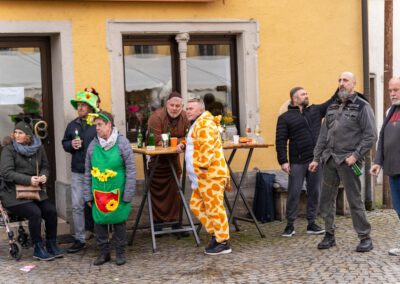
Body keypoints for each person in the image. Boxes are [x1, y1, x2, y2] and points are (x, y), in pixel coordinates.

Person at [309, 71, 377, 252]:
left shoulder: (362, 106)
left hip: (349, 162)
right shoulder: (332, 107)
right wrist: (316, 158)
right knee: (326, 200)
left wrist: (355, 155)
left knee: (355, 200)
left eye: (345, 80)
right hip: (330, 160)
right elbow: (323, 135)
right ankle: (329, 235)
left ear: (353, 84)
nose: (341, 83)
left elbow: (371, 136)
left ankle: (365, 237)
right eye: (339, 80)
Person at [276, 86, 338, 237]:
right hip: (297, 162)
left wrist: (340, 87)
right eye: (303, 94)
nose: (306, 96)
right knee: (294, 192)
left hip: (316, 161)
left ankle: (312, 223)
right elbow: (280, 140)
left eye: (307, 93)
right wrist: (283, 161)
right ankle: (290, 225)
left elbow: (331, 102)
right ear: (295, 99)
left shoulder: (315, 111)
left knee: (314, 192)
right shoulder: (285, 118)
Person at [0, 121, 62, 261]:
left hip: (34, 191)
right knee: (35, 213)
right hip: (12, 194)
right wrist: (29, 180)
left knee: (51, 211)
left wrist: (44, 176)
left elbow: (46, 166)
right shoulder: (8, 149)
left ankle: (51, 243)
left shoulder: (38, 148)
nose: (17, 135)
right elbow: (6, 173)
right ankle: (38, 247)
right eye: (15, 132)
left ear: (28, 136)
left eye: (20, 133)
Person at [83, 111, 136, 266]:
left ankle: (120, 252)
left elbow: (131, 170)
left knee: (119, 222)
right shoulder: (93, 146)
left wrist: (128, 194)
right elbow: (87, 172)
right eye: (95, 125)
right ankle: (103, 253)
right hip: (99, 192)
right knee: (99, 223)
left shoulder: (122, 143)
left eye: (100, 125)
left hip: (118, 191)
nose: (97, 128)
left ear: (109, 125)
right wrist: (87, 195)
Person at [181, 98, 231, 255]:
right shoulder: (199, 123)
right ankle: (217, 234)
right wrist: (184, 144)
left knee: (215, 208)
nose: (187, 111)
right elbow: (197, 142)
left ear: (200, 110)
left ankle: (222, 241)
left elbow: (207, 147)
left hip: (210, 175)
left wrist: (202, 168)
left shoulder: (204, 123)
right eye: (187, 108)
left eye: (191, 108)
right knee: (196, 205)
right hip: (202, 176)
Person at [62, 89, 99, 253]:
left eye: (84, 105)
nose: (80, 108)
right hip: (78, 171)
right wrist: (71, 145)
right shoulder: (72, 125)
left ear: (91, 107)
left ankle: (102, 237)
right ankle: (79, 239)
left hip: (97, 171)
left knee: (99, 203)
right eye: (78, 105)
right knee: (77, 206)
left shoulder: (98, 123)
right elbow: (64, 143)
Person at [146, 91, 190, 234]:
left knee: (176, 192)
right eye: (172, 105)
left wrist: (182, 142)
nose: (175, 108)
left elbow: (191, 136)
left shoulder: (185, 116)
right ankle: (157, 224)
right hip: (158, 162)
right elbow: (156, 139)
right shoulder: (156, 117)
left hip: (174, 161)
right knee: (157, 192)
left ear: (181, 106)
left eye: (178, 106)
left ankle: (176, 224)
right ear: (167, 105)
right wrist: (178, 141)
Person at [370, 76, 400, 256]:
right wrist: (377, 162)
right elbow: (382, 138)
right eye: (390, 90)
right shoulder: (391, 110)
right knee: (398, 208)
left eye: (396, 90)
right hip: (393, 169)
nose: (392, 93)